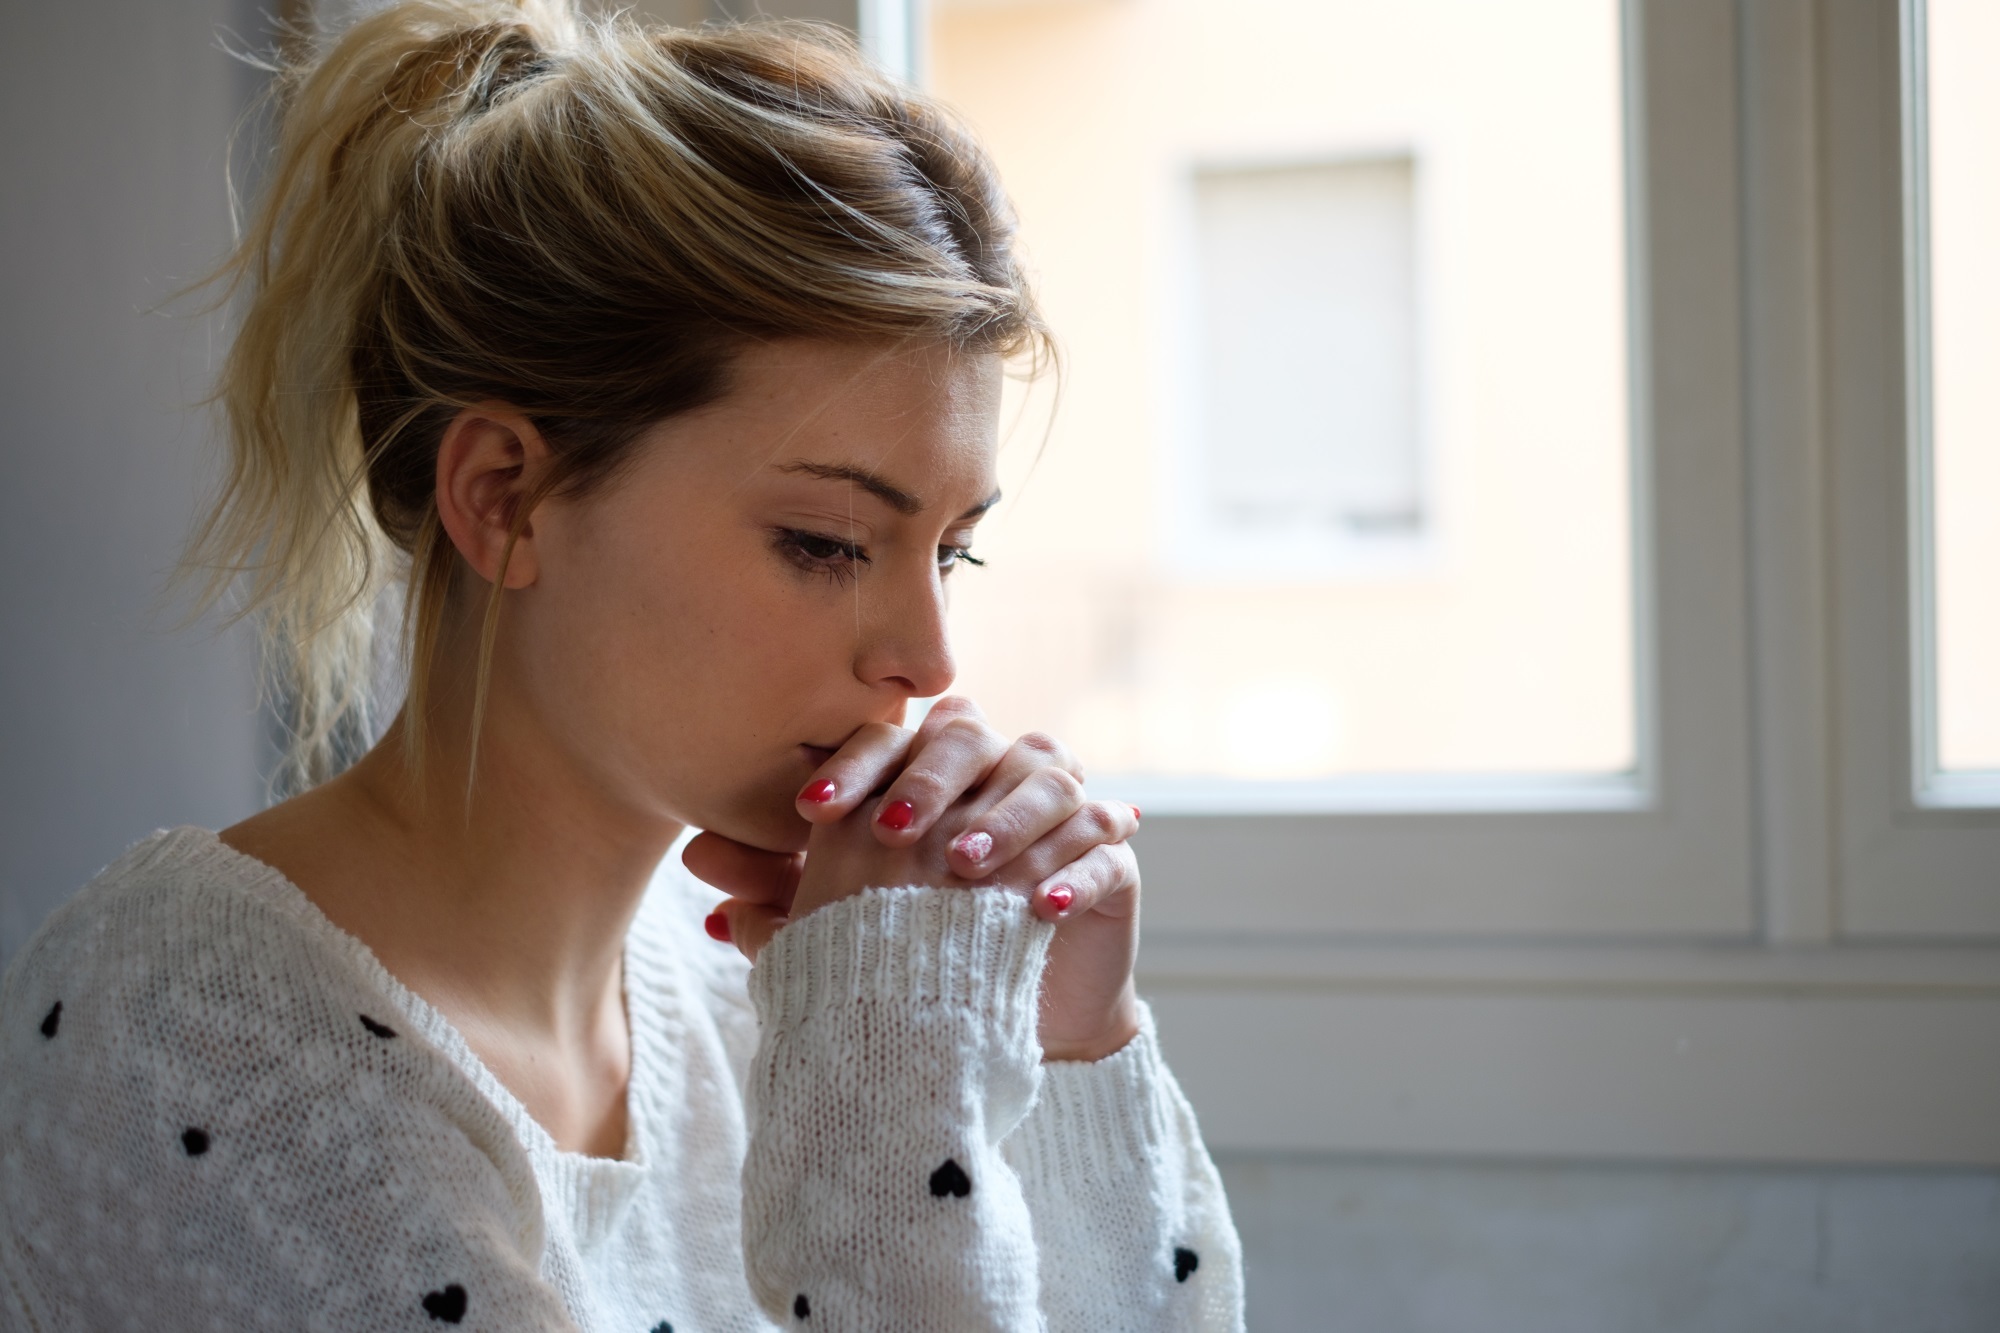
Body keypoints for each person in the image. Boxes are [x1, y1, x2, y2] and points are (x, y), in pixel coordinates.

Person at [0, 2, 1243, 1328]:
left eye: (953, 554)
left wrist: (1063, 1044)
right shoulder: (195, 1035)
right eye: (827, 541)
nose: (926, 660)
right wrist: (886, 1077)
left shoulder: (760, 984)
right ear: (507, 497)